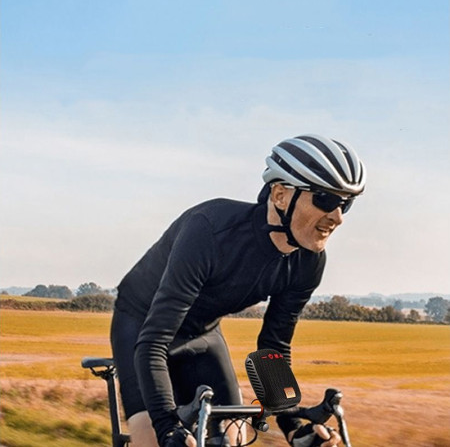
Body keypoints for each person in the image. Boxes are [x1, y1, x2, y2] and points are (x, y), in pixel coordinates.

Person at [110, 134, 366, 447]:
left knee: (235, 436)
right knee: (153, 439)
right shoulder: (209, 230)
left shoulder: (308, 262)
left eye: (345, 204)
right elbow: (154, 341)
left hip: (203, 333)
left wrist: (293, 427)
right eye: (324, 199)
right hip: (142, 325)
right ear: (280, 195)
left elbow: (272, 346)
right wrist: (167, 429)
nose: (337, 217)